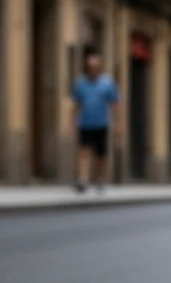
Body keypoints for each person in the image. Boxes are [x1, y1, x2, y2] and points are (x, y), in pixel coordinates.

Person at [71, 46, 120, 194]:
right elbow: (76, 104)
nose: (93, 69)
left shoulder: (107, 83)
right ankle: (83, 179)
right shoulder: (81, 83)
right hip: (85, 123)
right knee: (83, 151)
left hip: (101, 123)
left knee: (101, 155)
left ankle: (100, 179)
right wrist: (72, 122)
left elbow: (115, 104)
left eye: (95, 66)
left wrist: (118, 124)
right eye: (90, 66)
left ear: (100, 67)